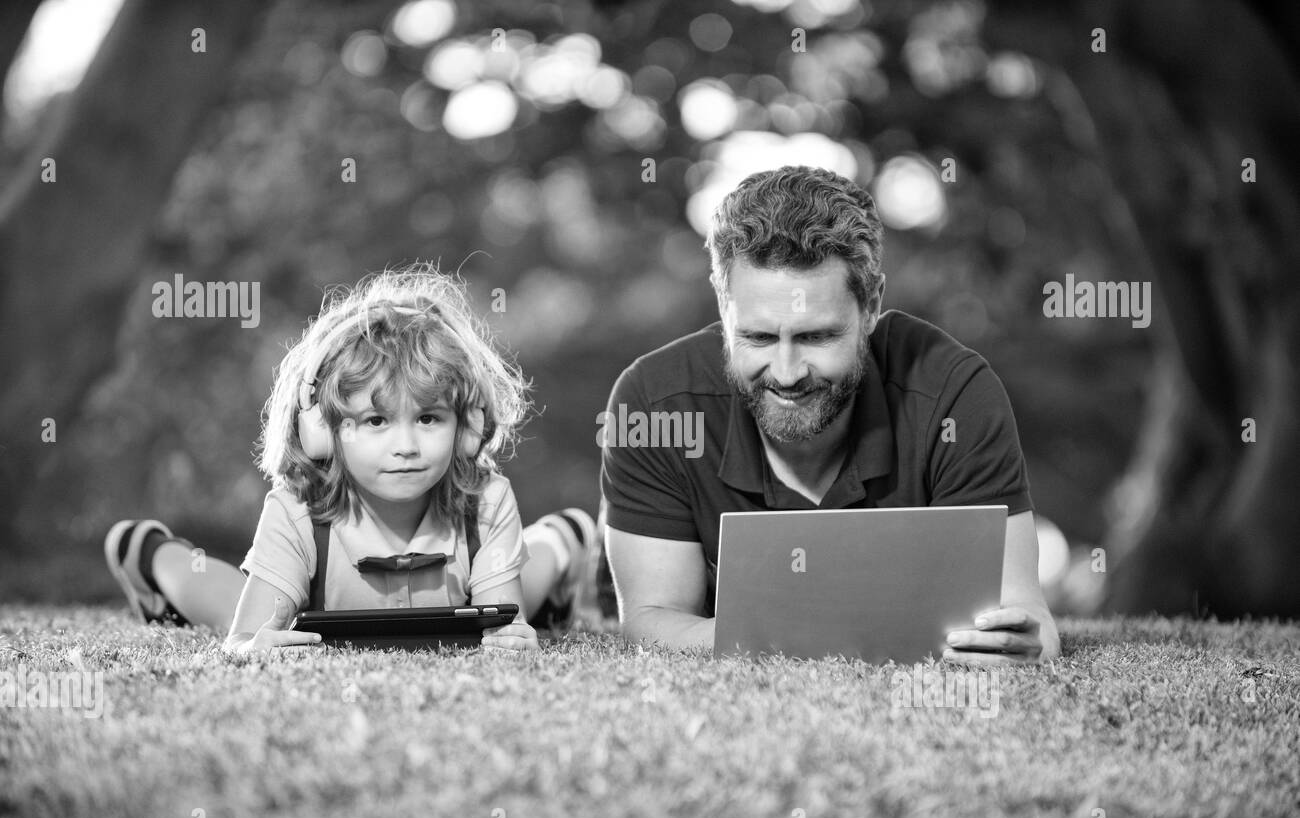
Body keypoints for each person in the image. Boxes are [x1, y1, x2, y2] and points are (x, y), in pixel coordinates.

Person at [599, 166, 1060, 664]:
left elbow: (1026, 618)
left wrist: (1018, 644)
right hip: (628, 552)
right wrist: (835, 638)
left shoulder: (956, 394)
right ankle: (569, 542)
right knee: (575, 570)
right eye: (757, 337)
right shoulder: (652, 403)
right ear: (721, 300)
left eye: (816, 337)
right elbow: (651, 620)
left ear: (872, 306)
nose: (787, 372)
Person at [104, 263, 597, 654]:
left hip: (462, 596)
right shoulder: (297, 505)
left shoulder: (486, 499)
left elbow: (501, 631)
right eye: (376, 422)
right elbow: (241, 642)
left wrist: (513, 641)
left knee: (524, 596)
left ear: (467, 425)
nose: (406, 445)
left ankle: (563, 540)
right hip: (311, 604)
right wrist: (249, 649)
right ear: (323, 428)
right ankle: (151, 556)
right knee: (231, 602)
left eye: (429, 419)